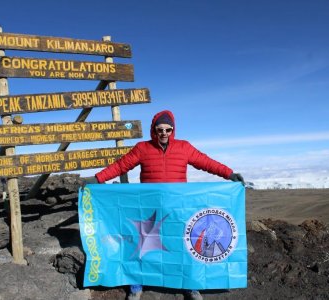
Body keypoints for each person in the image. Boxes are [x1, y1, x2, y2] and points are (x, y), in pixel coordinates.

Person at [85, 110, 244, 300]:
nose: (164, 133)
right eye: (160, 129)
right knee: (141, 243)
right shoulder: (142, 148)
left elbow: (206, 162)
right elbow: (121, 166)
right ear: (154, 130)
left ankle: (189, 285)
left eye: (168, 129)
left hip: (178, 207)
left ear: (173, 129)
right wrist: (97, 178)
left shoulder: (184, 147)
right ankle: (136, 284)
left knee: (182, 244)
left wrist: (229, 174)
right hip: (149, 206)